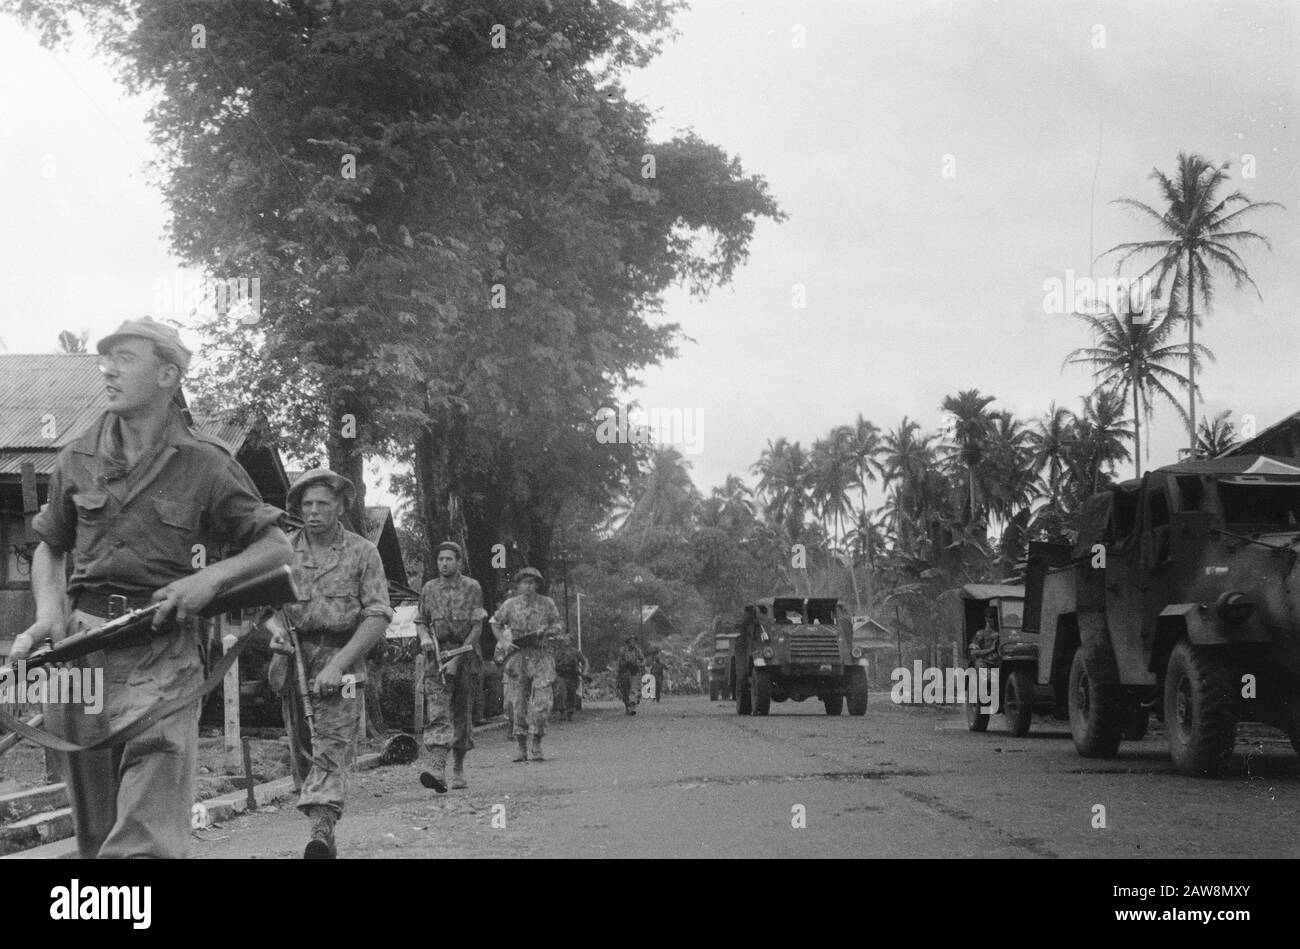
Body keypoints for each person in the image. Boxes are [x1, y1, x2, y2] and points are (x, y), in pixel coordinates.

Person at [10, 317, 294, 859]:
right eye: (105, 359)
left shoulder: (207, 463)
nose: (108, 369)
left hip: (163, 649)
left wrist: (208, 580)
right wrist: (48, 614)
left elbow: (276, 548)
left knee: (145, 839)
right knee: (96, 836)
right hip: (82, 649)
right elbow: (50, 546)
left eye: (125, 359)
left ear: (167, 374)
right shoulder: (77, 456)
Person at [277, 468, 393, 858]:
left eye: (323, 504)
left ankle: (320, 829)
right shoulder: (282, 551)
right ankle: (321, 824)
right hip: (294, 662)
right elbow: (259, 606)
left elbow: (378, 614)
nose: (313, 511)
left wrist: (338, 665)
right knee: (302, 751)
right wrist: (274, 631)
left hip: (344, 663)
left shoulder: (363, 551)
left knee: (333, 743)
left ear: (341, 506)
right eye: (307, 504)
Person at [415, 541, 485, 792]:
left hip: (465, 656)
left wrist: (457, 659)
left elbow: (477, 627)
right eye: (440, 559)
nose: (444, 563)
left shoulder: (472, 587)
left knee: (461, 716)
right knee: (437, 713)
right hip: (436, 657)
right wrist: (423, 636)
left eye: (449, 559)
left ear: (458, 562)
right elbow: (421, 620)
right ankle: (437, 769)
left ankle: (458, 767)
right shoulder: (429, 588)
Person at [490, 567, 565, 762]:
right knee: (516, 703)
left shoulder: (547, 604)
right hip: (518, 655)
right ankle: (521, 745)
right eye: (524, 582)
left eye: (532, 582)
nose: (528, 586)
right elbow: (495, 622)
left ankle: (537, 743)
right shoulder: (510, 605)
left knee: (542, 702)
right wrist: (504, 641)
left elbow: (558, 625)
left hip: (541, 655)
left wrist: (546, 630)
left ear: (538, 584)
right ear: (518, 585)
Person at [553, 640, 589, 721]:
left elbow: (585, 662)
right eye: (564, 639)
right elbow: (552, 663)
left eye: (567, 639)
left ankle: (570, 713)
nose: (566, 641)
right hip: (560, 675)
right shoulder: (557, 652)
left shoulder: (576, 652)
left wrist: (585, 672)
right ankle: (562, 712)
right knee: (560, 692)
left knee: (571, 694)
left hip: (572, 676)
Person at [616, 637, 646, 715]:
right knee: (625, 691)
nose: (632, 643)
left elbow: (643, 660)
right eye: (630, 642)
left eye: (634, 642)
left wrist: (639, 665)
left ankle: (632, 707)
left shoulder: (638, 650)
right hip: (625, 672)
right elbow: (619, 662)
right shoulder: (623, 651)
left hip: (634, 672)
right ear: (627, 643)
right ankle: (627, 706)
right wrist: (619, 673)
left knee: (633, 690)